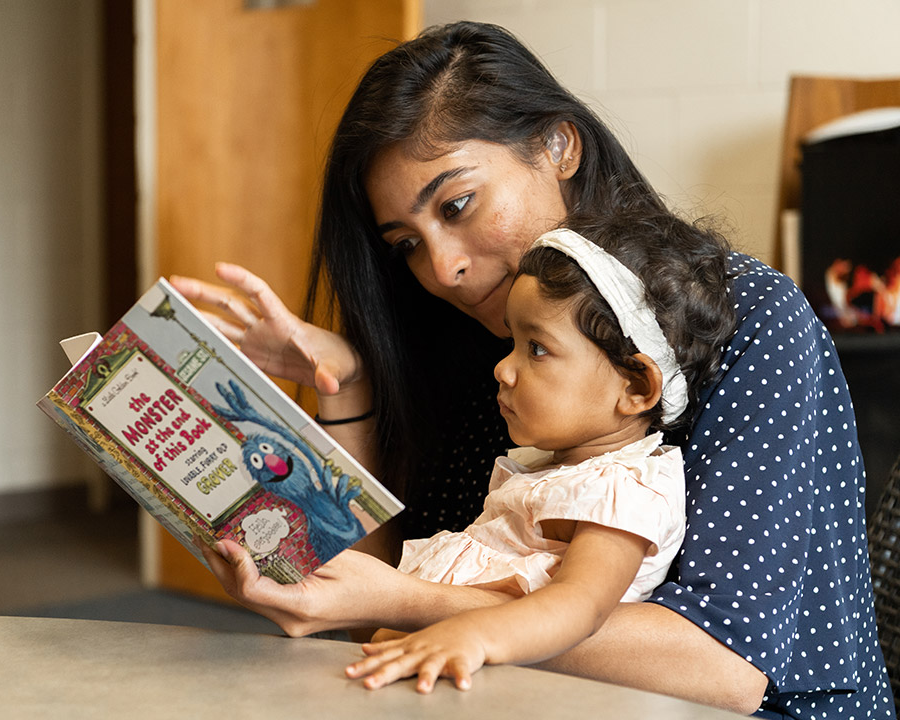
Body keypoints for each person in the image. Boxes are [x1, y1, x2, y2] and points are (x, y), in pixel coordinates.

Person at [172, 21, 895, 718]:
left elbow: (720, 667)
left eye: (458, 204)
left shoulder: (753, 316)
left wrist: (409, 605)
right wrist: (348, 383)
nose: (444, 269)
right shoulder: (489, 346)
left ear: (558, 145)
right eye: (406, 246)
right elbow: (373, 614)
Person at [343, 210, 736, 693]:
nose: (502, 370)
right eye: (513, 342)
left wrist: (477, 636)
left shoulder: (621, 490)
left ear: (635, 385)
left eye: (537, 349)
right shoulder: (551, 475)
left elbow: (580, 606)